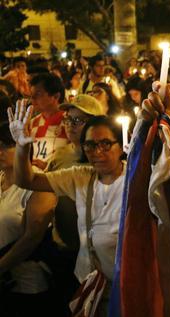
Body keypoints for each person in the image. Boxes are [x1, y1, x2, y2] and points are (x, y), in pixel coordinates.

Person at [8, 108, 127, 315]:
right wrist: (22, 145)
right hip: (87, 283)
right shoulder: (81, 176)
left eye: (105, 144)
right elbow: (27, 180)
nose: (97, 152)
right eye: (90, 145)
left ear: (121, 145)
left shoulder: (135, 180)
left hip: (125, 286)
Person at [0, 122, 56, 316]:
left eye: (6, 146)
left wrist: (1, 266)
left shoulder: (39, 183)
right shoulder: (0, 178)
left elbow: (32, 237)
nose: (0, 151)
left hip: (26, 284)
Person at [28, 72, 69, 169]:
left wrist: (48, 167)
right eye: (31, 95)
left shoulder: (69, 123)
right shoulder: (32, 123)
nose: (32, 99)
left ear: (56, 96)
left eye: (38, 94)